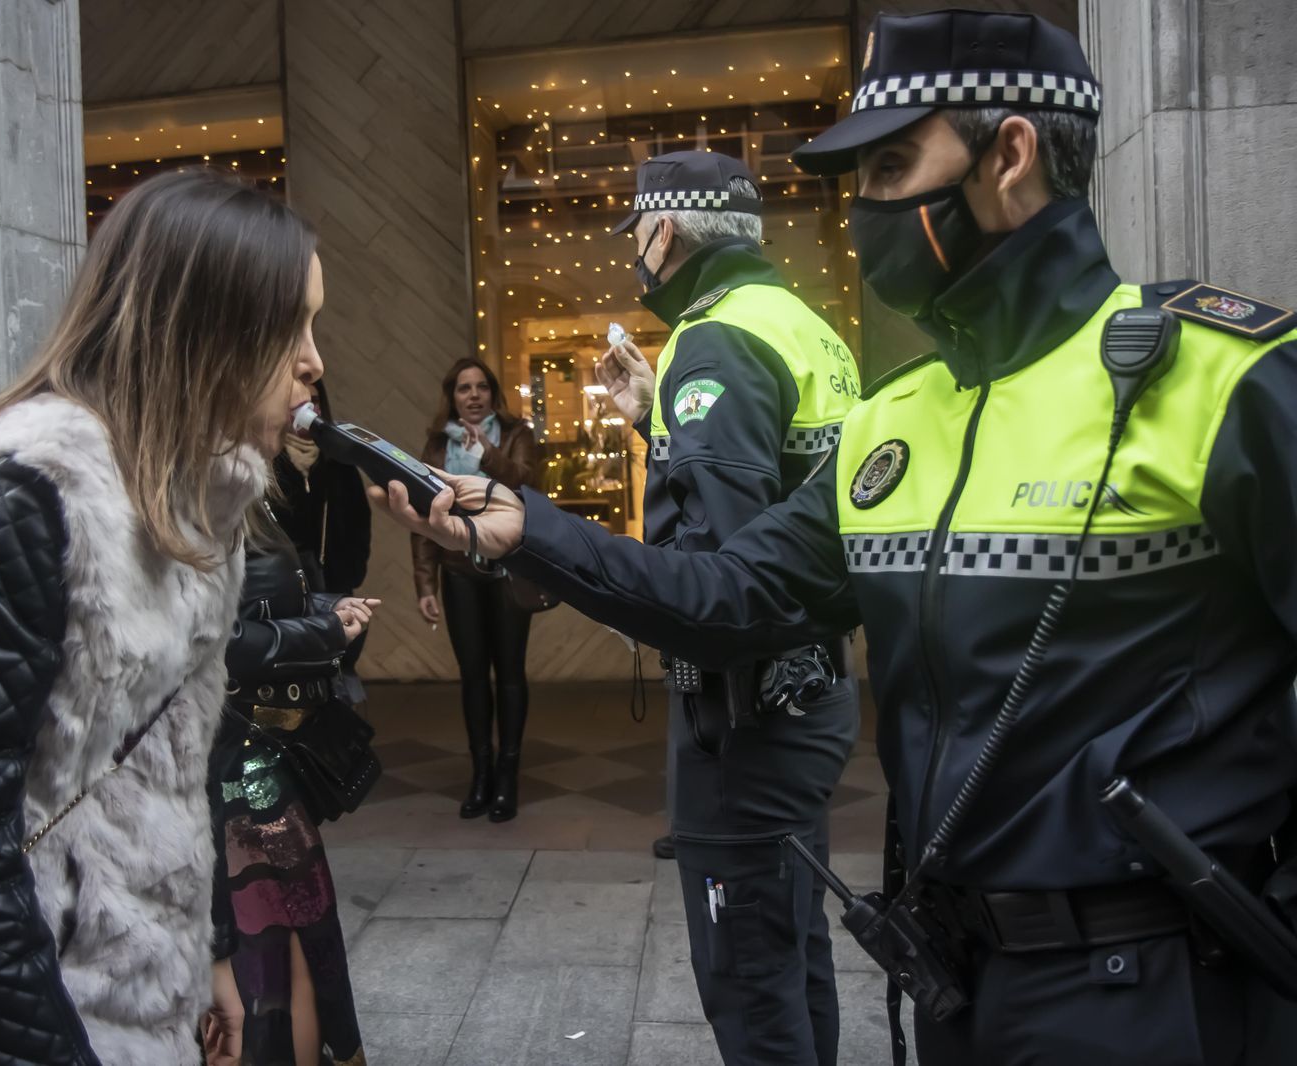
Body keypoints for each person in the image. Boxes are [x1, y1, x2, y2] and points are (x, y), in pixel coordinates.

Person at [371, 10, 1297, 1065]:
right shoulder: (893, 424)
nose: (864, 210)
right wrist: (527, 530)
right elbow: (727, 598)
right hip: (957, 983)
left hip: (1162, 997)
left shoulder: (1224, 377)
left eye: (892, 166)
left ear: (1009, 155)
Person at [0, 168, 325, 1064]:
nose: (313, 361)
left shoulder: (195, 506)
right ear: (207, 326)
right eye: (291, 327)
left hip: (140, 999)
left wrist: (206, 956)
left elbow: (174, 767)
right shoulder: (30, 499)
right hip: (36, 1013)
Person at [595, 148, 861, 1065]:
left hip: (743, 716)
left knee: (748, 977)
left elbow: (726, 568)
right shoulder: (802, 324)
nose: (636, 251)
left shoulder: (713, 338)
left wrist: (609, 580)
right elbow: (781, 502)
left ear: (665, 231)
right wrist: (651, 418)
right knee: (793, 945)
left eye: (637, 232)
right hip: (811, 687)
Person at [207, 501, 376, 1066]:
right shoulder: (197, 495)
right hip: (236, 763)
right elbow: (218, 638)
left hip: (259, 758)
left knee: (296, 943)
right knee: (272, 955)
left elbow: (267, 601)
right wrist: (323, 631)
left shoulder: (242, 487)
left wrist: (327, 609)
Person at [411, 357, 538, 822]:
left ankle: (507, 777)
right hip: (459, 570)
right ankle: (481, 774)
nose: (473, 395)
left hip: (508, 569)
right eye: (464, 388)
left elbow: (527, 483)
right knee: (472, 676)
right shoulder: (436, 444)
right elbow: (424, 516)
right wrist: (425, 583)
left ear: (492, 393)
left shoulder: (517, 433)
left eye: (481, 387)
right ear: (452, 396)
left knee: (510, 672)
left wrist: (488, 454)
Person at [272, 378, 372, 704]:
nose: (308, 409)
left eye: (314, 401)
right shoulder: (267, 460)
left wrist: (350, 573)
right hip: (281, 586)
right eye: (298, 402)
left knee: (338, 676)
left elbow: (358, 520)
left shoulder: (336, 459)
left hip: (332, 580)